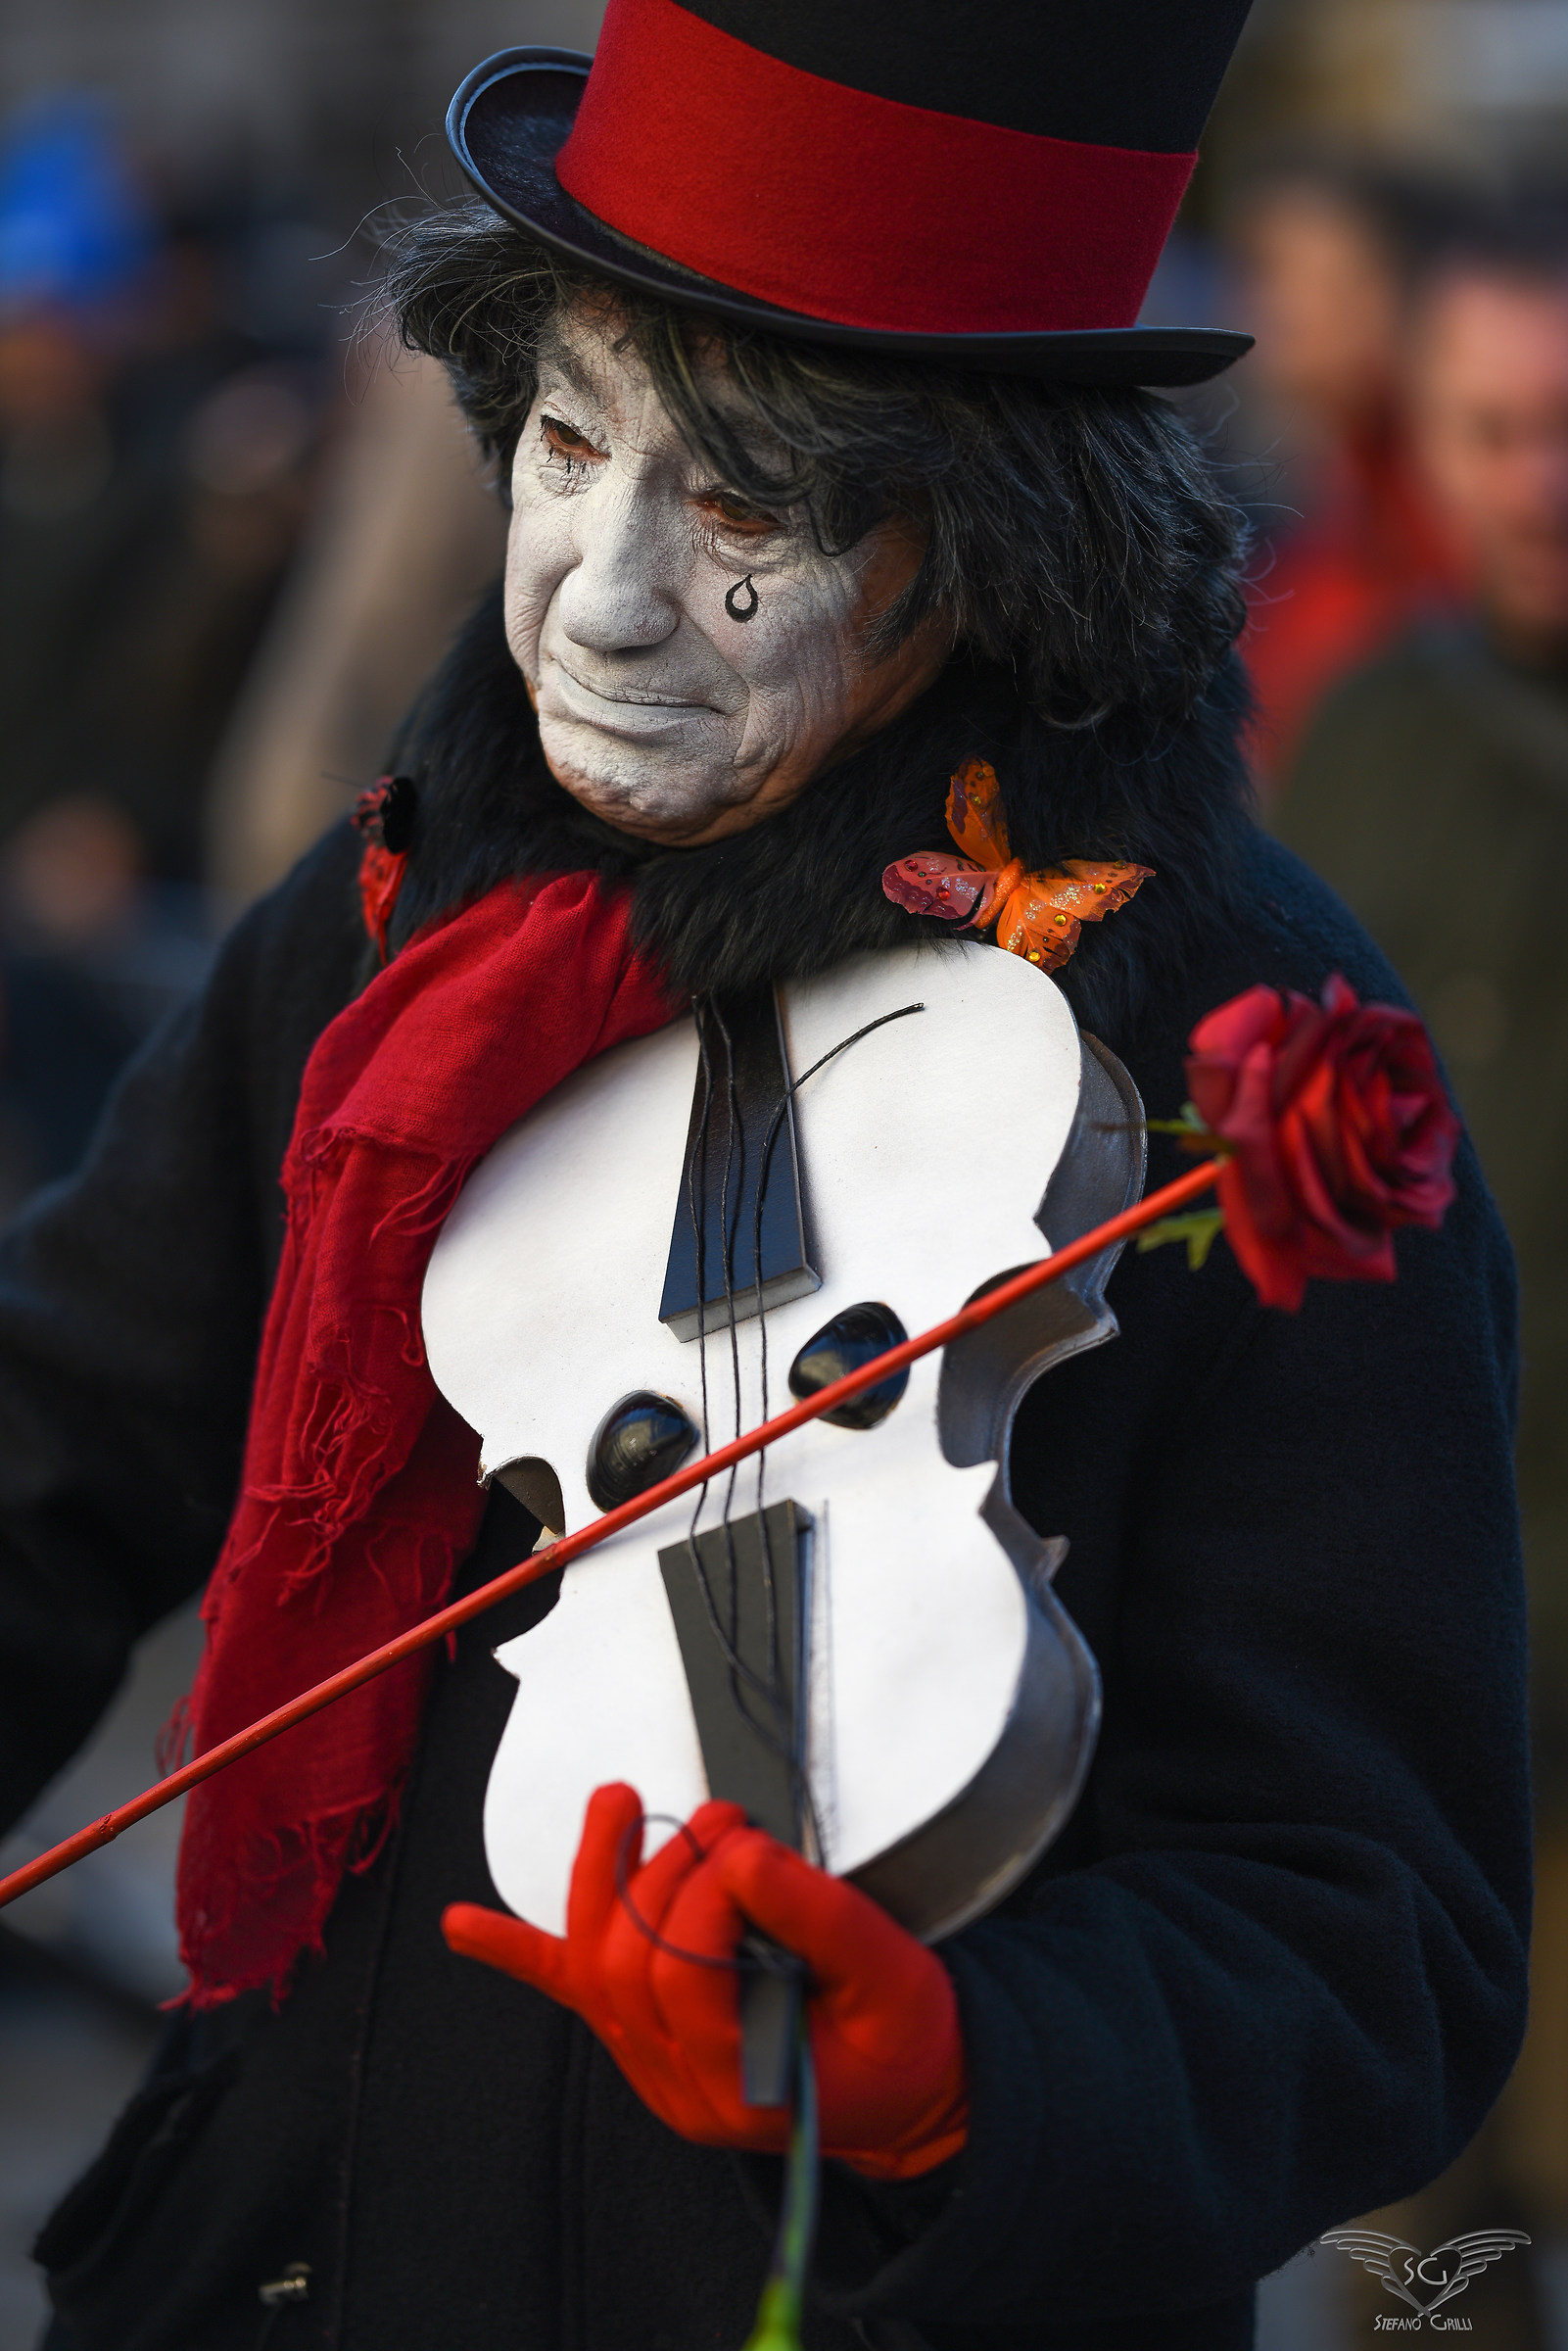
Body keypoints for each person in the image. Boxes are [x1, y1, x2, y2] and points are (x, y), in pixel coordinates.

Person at [2, 8, 1529, 2348]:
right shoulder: (396, 917)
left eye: (744, 506)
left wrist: (968, 2073)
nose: (598, 600)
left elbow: (1369, 1921)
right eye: (566, 443)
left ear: (996, 542)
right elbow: (65, 1427)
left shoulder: (1251, 1055)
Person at [1277, 212, 1568, 2310]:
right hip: (1417, 1680)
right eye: (1488, 429)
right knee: (1422, 2263)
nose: (1531, 479)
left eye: (1566, 427)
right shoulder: (1359, 730)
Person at [1225, 159, 1461, 787]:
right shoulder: (1330, 515)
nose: (1259, 307)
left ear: (1387, 291)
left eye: (1283, 273)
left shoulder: (1447, 516)